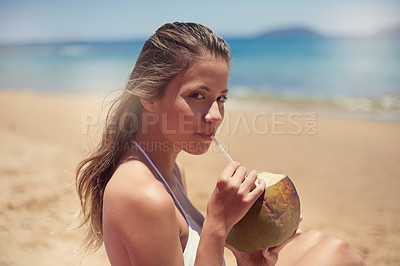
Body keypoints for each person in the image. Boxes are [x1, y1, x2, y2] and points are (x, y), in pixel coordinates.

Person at [76, 22, 365, 266]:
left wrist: (247, 259)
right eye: (198, 96)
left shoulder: (171, 173)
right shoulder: (141, 194)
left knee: (320, 242)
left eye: (221, 98)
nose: (215, 115)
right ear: (150, 96)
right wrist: (216, 225)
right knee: (333, 254)